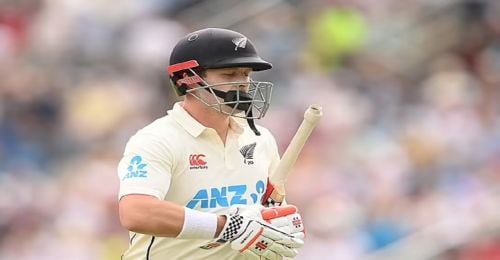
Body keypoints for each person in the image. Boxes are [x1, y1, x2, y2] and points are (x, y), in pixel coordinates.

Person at [117, 28, 305, 260]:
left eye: (246, 74)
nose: (242, 84)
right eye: (229, 75)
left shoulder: (260, 139)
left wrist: (280, 228)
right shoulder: (157, 139)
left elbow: (269, 213)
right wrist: (227, 226)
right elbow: (136, 212)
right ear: (188, 79)